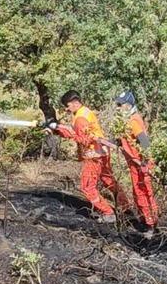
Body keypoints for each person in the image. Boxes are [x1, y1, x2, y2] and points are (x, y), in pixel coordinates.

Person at [46, 91, 130, 222]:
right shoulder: (84, 112)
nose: (66, 109)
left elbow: (83, 139)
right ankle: (125, 207)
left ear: (75, 103)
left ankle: (108, 212)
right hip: (102, 152)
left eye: (67, 106)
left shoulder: (80, 118)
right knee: (109, 182)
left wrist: (62, 130)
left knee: (87, 187)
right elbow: (78, 132)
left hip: (93, 156)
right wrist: (59, 128)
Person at [113, 91, 159, 238]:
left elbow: (145, 143)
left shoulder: (133, 121)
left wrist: (145, 162)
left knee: (143, 193)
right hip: (134, 164)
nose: (118, 108)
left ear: (128, 105)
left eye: (120, 105)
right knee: (138, 192)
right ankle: (145, 220)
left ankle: (151, 226)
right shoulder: (127, 122)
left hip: (141, 164)